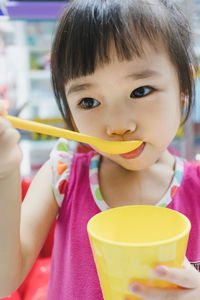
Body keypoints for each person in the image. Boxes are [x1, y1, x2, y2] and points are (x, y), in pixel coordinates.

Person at [0, 0, 200, 299]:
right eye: (89, 102)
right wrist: (5, 172)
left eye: (140, 91)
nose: (117, 125)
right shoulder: (62, 176)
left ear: (183, 87)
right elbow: (5, 280)